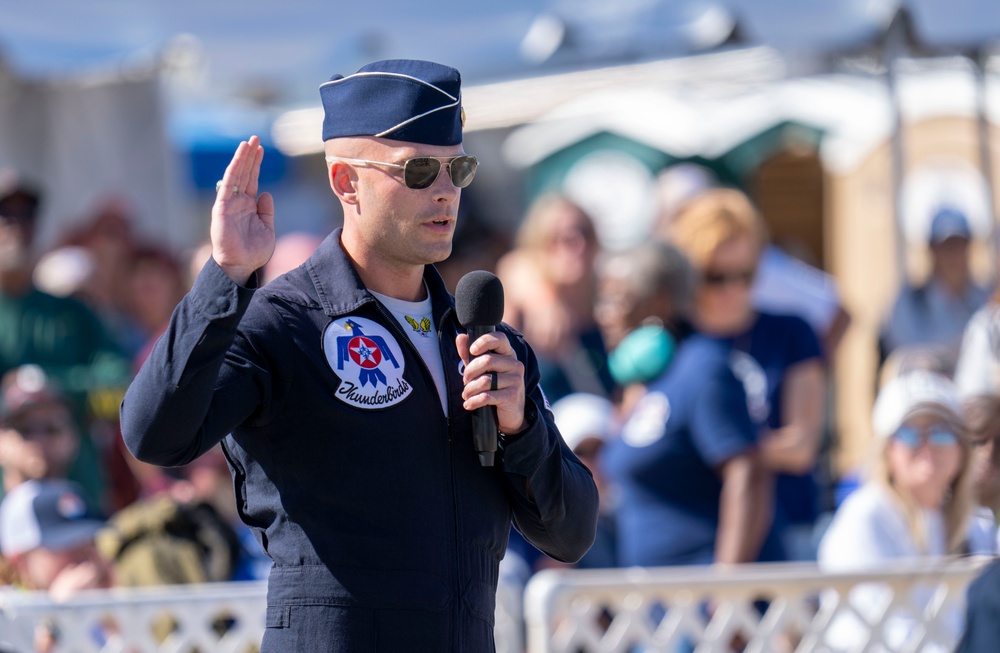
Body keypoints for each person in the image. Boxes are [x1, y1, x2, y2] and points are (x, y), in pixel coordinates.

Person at [120, 59, 599, 652]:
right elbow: (154, 435)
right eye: (419, 170)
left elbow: (573, 533)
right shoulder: (282, 322)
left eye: (459, 170)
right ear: (346, 181)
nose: (446, 190)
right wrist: (224, 278)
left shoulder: (482, 340)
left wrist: (522, 428)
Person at [667, 188, 826, 561]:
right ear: (690, 274)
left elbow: (802, 446)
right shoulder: (670, 341)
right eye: (716, 277)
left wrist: (717, 449)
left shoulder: (792, 334)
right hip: (695, 538)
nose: (733, 289)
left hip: (787, 528)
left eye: (746, 274)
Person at [599, 241, 772, 567]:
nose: (602, 314)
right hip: (658, 603)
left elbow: (747, 474)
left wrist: (727, 591)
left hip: (705, 604)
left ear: (659, 303)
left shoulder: (702, 369)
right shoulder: (647, 383)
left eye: (615, 299)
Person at [818, 371, 989, 651]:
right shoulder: (865, 517)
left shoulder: (977, 527)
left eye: (942, 432)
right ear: (887, 450)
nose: (928, 445)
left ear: (962, 448)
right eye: (910, 433)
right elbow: (889, 633)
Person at [495, 193, 613, 402]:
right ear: (537, 245)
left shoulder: (606, 293)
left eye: (584, 233)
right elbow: (513, 266)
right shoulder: (525, 288)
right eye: (560, 238)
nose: (578, 245)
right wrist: (543, 300)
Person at [881, 206, 990, 374]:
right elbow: (905, 353)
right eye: (946, 247)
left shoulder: (987, 298)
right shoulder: (911, 301)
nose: (953, 256)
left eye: (959, 245)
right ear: (932, 250)